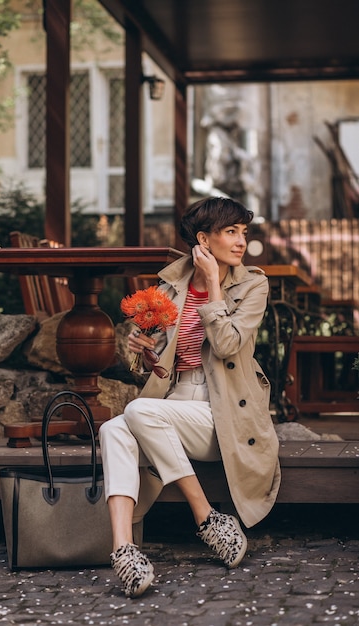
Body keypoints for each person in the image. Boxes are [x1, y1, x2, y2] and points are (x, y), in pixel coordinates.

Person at [99, 196, 281, 598]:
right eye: (230, 232)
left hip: (225, 412)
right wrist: (144, 350)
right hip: (174, 401)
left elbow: (229, 344)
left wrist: (215, 284)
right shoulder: (170, 286)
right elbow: (161, 364)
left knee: (138, 411)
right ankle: (123, 549)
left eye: (243, 233)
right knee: (113, 428)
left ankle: (208, 518)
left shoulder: (253, 283)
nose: (240, 242)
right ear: (204, 238)